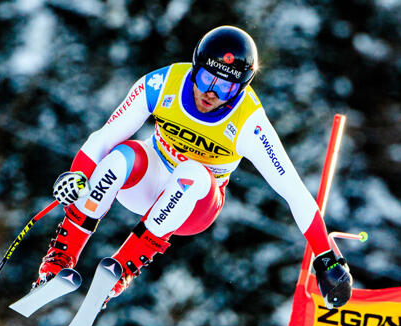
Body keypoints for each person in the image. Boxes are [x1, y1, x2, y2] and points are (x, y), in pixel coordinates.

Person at [36, 25, 352, 308]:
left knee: (192, 173)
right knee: (119, 158)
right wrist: (78, 174)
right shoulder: (163, 83)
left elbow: (293, 192)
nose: (210, 93)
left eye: (225, 87)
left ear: (239, 89)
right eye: (205, 79)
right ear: (194, 68)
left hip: (192, 205)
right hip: (145, 181)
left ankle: (122, 268)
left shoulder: (249, 123)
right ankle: (60, 258)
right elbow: (103, 137)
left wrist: (326, 257)